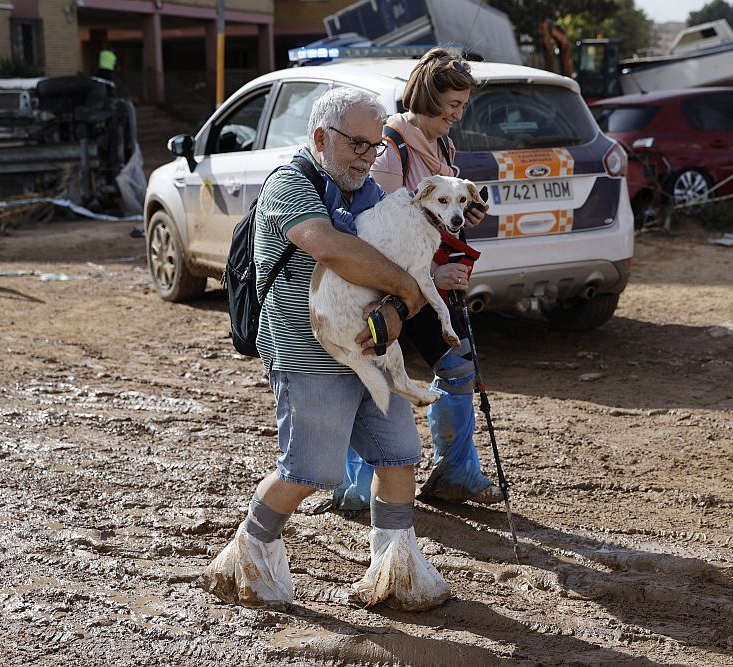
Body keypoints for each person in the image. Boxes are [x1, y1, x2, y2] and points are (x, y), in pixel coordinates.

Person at [198, 87, 450, 611]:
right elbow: (330, 247)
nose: (368, 157)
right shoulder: (290, 185)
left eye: (376, 146)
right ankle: (246, 554)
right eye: (357, 145)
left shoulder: (369, 196)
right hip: (306, 354)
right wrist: (406, 288)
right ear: (320, 138)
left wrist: (399, 309)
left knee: (400, 456)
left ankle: (396, 569)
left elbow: (392, 271)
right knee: (309, 470)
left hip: (370, 351)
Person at [330, 48, 504, 513]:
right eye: (452, 104)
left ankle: (455, 475)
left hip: (428, 285)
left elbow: (431, 222)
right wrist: (433, 272)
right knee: (368, 375)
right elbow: (379, 235)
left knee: (459, 367)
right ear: (427, 97)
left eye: (463, 105)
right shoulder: (393, 147)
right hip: (386, 289)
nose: (458, 114)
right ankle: (356, 487)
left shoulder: (444, 147)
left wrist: (464, 216)